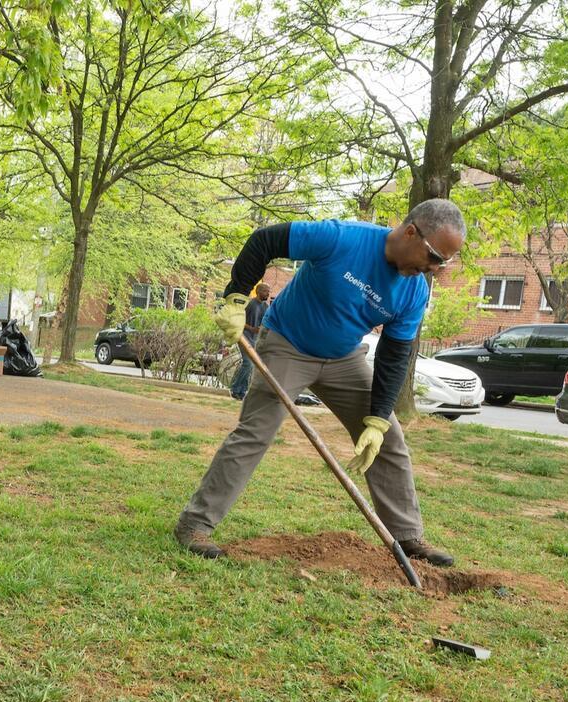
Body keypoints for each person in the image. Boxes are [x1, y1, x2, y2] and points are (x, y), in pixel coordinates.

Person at [173, 199, 465, 566]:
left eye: (445, 263)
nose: (435, 269)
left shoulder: (414, 292)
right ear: (411, 232)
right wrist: (236, 297)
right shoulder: (342, 238)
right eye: (436, 257)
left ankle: (407, 537)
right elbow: (266, 241)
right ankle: (195, 524)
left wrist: (376, 418)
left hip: (343, 358)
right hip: (287, 345)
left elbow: (394, 356)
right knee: (255, 431)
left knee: (388, 438)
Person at [229, 282, 271, 400]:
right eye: (266, 291)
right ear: (258, 292)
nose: (268, 293)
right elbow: (239, 321)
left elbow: (266, 323)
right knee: (248, 363)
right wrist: (252, 328)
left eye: (269, 291)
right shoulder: (250, 304)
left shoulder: (266, 307)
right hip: (244, 337)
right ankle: (235, 389)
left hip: (255, 340)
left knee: (251, 366)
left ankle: (241, 392)